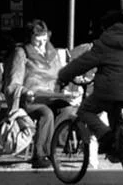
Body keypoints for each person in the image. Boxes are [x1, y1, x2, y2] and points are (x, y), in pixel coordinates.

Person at [56, 9, 123, 162]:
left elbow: (83, 63)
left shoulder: (104, 44)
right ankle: (118, 146)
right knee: (114, 112)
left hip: (109, 91)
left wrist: (64, 75)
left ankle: (106, 136)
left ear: (107, 27)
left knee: (84, 110)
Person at [5, 17, 77, 171]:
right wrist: (26, 91)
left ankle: (52, 146)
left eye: (44, 40)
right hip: (30, 99)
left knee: (68, 110)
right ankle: (39, 155)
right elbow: (13, 82)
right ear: (29, 39)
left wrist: (63, 90)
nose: (42, 45)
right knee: (47, 113)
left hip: (51, 95)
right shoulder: (21, 53)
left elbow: (59, 76)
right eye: (37, 41)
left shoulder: (52, 52)